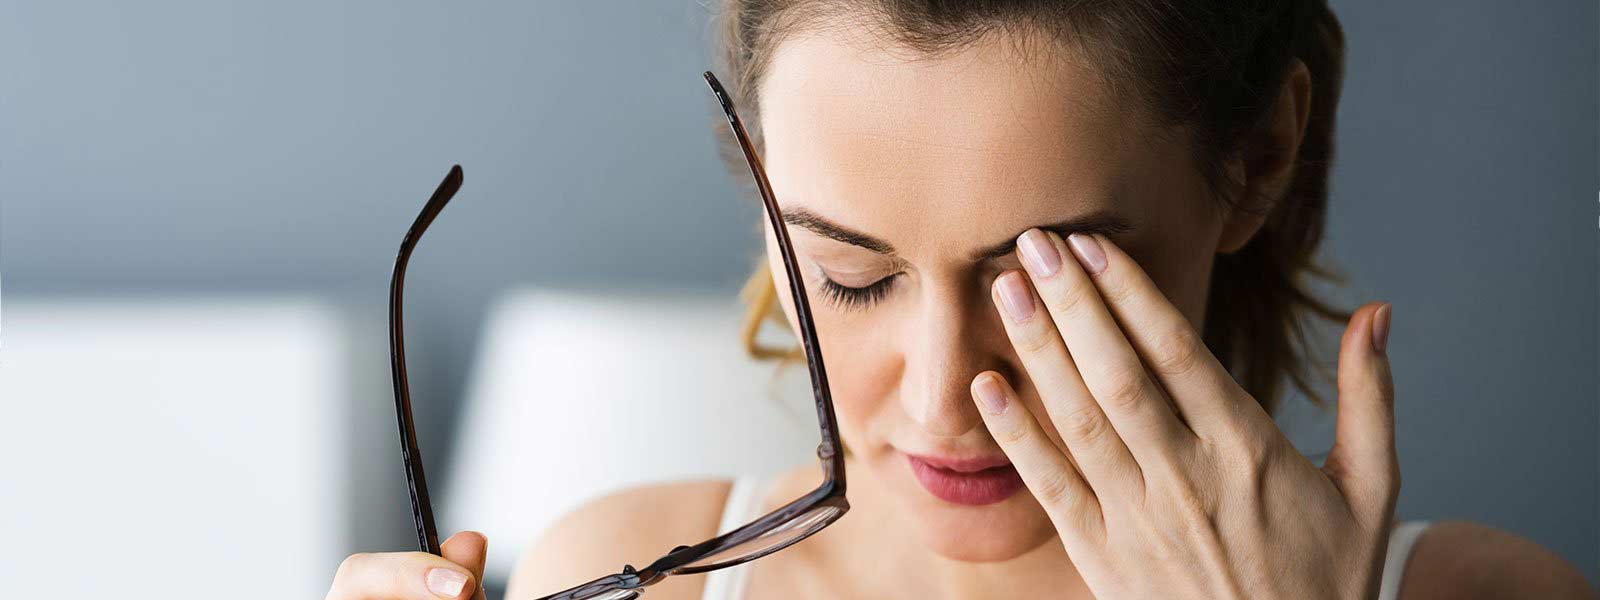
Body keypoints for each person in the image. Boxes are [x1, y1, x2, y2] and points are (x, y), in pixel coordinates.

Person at [324, 1, 1594, 598]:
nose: (946, 399)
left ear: (1257, 158)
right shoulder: (626, 577)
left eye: (1049, 280)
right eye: (854, 275)